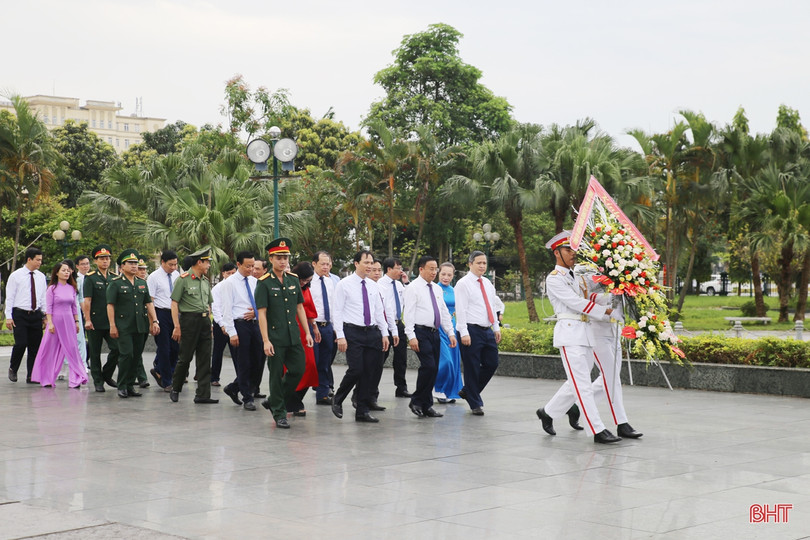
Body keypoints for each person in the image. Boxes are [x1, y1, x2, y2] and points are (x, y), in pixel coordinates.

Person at [536, 231, 622, 444]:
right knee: (582, 385)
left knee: (575, 382)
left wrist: (618, 283)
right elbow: (577, 303)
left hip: (586, 334)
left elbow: (593, 291)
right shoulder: (554, 279)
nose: (573, 253)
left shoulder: (577, 277)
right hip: (570, 334)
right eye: (568, 250)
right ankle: (597, 430)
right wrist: (606, 312)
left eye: (574, 249)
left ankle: (548, 412)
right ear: (557, 253)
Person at [575, 265, 643, 439]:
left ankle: (573, 407)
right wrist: (610, 300)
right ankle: (621, 423)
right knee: (611, 378)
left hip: (614, 329)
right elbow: (583, 299)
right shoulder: (583, 270)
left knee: (612, 377)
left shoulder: (621, 269)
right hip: (597, 331)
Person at [254, 239, 313, 429]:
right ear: (271, 259)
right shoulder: (264, 283)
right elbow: (262, 313)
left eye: (285, 258)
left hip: (293, 336)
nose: (282, 261)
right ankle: (279, 413)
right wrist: (265, 340)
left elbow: (300, 308)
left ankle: (274, 400)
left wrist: (307, 332)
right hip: (275, 337)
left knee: (298, 370)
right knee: (276, 375)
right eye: (279, 258)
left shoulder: (293, 279)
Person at [331, 250, 390, 424]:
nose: (370, 266)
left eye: (371, 263)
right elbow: (337, 311)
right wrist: (340, 336)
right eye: (366, 262)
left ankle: (362, 411)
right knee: (356, 369)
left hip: (372, 332)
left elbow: (379, 311)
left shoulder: (373, 285)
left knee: (369, 372)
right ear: (356, 263)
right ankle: (338, 398)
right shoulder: (344, 284)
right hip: (352, 332)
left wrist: (384, 333)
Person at [402, 255, 456, 418]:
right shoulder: (413, 288)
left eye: (435, 269)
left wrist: (450, 332)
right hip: (420, 332)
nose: (434, 272)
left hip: (435, 333)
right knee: (429, 366)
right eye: (431, 269)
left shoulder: (437, 289)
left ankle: (426, 405)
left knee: (433, 369)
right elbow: (408, 313)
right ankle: (416, 400)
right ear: (421, 269)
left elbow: (444, 312)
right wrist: (411, 336)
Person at [107, 249, 159, 398]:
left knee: (136, 356)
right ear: (122, 266)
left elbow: (149, 303)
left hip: (140, 325)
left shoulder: (142, 283)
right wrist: (112, 325)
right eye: (130, 263)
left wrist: (154, 321)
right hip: (123, 326)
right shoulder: (115, 283)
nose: (134, 266)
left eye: (135, 263)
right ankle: (122, 385)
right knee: (126, 355)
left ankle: (130, 386)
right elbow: (110, 305)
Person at [454, 251, 501, 416]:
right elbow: (461, 309)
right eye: (478, 263)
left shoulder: (487, 283)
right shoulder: (463, 284)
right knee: (472, 367)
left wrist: (496, 327)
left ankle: (468, 391)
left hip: (486, 329)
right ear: (470, 264)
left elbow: (492, 306)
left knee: (492, 363)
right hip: (470, 329)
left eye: (484, 263)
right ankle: (475, 403)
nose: (482, 266)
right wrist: (464, 332)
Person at [169, 248, 217, 404]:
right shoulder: (183, 279)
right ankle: (175, 388)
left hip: (204, 321)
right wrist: (176, 326)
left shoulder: (205, 281)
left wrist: (209, 322)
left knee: (205, 358)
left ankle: (203, 394)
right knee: (185, 357)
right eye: (207, 262)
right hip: (189, 321)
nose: (209, 265)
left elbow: (208, 304)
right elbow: (174, 303)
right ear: (199, 262)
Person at [30, 260, 88, 388]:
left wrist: (77, 322)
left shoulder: (72, 288)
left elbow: (74, 307)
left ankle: (76, 378)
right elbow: (49, 308)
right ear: (56, 273)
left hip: (69, 321)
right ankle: (46, 378)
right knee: (49, 349)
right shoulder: (52, 289)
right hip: (55, 322)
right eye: (63, 270)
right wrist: (50, 323)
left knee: (72, 349)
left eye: (68, 271)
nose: (66, 273)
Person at [221, 251, 263, 411]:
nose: (251, 269)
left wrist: (256, 313)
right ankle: (247, 397)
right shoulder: (229, 283)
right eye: (248, 266)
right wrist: (232, 332)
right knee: (244, 362)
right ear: (238, 264)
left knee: (258, 360)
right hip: (240, 324)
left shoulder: (254, 281)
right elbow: (226, 309)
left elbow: (260, 303)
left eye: (253, 266)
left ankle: (234, 387)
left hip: (255, 324)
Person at [5, 247, 47, 384]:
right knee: (21, 343)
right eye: (37, 260)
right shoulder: (16, 276)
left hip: (35, 314)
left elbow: (43, 297)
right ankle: (13, 368)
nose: (40, 262)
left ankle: (32, 375)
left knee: (35, 346)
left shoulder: (41, 277)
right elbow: (10, 297)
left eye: (41, 260)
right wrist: (8, 316)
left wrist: (45, 315)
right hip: (20, 314)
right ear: (29, 259)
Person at [83, 244, 120, 392]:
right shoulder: (90, 278)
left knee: (117, 349)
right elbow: (87, 301)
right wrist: (87, 319)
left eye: (107, 258)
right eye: (102, 258)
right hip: (95, 321)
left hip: (111, 321)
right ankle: (98, 381)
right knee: (95, 352)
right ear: (95, 261)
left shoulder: (114, 277)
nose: (105, 261)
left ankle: (107, 374)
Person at [286, 261, 319, 416]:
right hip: (289, 329)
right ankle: (292, 402)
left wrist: (314, 327)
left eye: (308, 280)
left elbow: (309, 309)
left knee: (310, 365)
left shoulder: (306, 289)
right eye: (303, 279)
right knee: (291, 367)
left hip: (305, 330)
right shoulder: (287, 286)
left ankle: (296, 398)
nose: (305, 283)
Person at [147, 250, 180, 390]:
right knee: (164, 348)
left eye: (175, 264)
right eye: (170, 264)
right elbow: (150, 301)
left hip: (175, 314)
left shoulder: (177, 275)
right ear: (163, 262)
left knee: (176, 348)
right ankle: (167, 381)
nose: (173, 267)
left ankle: (159, 370)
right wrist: (153, 321)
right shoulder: (153, 277)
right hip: (161, 313)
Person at [379, 257, 410, 398]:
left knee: (401, 358)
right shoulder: (380, 284)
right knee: (381, 358)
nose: (400, 271)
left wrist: (406, 283)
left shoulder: (398, 285)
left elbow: (408, 299)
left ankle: (401, 388)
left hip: (399, 324)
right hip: (385, 325)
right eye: (398, 268)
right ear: (389, 269)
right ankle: (372, 389)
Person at [309, 250, 337, 406]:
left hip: (327, 326)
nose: (325, 267)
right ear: (314, 264)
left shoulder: (329, 281)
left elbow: (333, 305)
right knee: (313, 361)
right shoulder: (308, 282)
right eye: (322, 264)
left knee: (325, 362)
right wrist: (312, 325)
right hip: (313, 325)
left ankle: (323, 393)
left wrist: (335, 327)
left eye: (328, 264)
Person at [434, 262, 463, 403]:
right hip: (439, 329)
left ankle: (451, 392)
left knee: (455, 362)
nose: (446, 277)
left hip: (453, 329)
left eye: (449, 275)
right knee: (446, 362)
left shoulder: (454, 290)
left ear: (453, 276)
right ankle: (438, 389)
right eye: (443, 274)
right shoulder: (434, 289)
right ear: (438, 273)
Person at [211, 262, 237, 387]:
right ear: (223, 274)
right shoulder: (217, 288)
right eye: (228, 273)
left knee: (237, 352)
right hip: (220, 323)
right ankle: (214, 377)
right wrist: (222, 324)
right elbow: (215, 308)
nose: (231, 275)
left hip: (235, 322)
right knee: (218, 351)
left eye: (233, 273)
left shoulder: (238, 286)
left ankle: (241, 378)